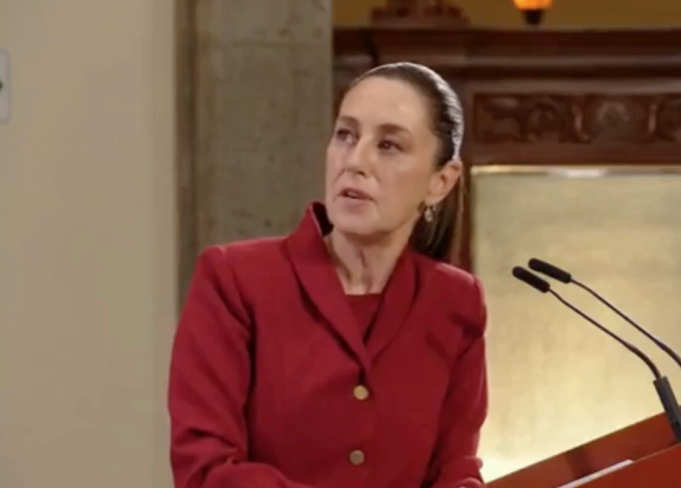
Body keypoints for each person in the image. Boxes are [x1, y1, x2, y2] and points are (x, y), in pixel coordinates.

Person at [168, 62, 489, 488]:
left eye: (388, 145)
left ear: (441, 182)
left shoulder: (455, 300)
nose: (355, 161)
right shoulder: (234, 279)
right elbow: (205, 468)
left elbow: (457, 469)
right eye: (346, 135)